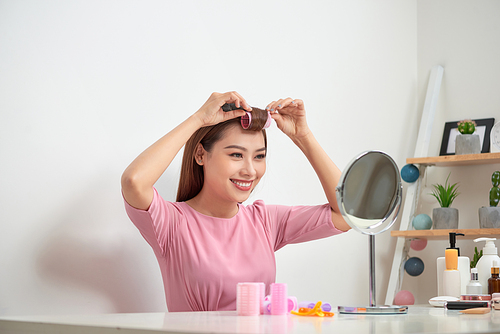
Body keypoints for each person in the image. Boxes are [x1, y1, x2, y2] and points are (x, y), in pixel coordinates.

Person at [121, 91, 350, 312]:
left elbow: (347, 213)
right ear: (200, 155)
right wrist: (198, 119)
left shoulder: (265, 221)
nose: (250, 170)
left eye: (259, 156)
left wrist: (304, 137)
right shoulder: (171, 223)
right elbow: (134, 181)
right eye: (236, 155)